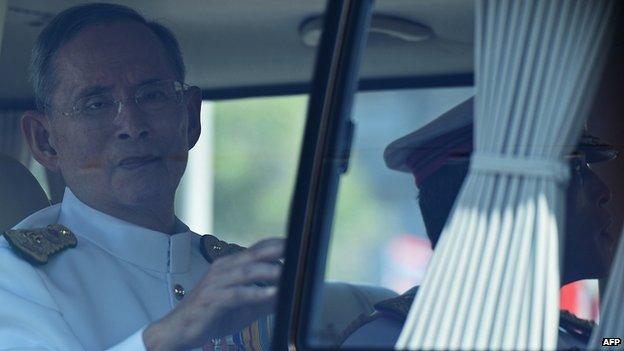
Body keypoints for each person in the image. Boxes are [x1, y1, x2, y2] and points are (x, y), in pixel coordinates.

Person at [0, 4, 282, 351]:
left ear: (190, 119)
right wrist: (164, 337)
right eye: (95, 104)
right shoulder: (13, 277)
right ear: (46, 141)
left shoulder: (246, 282)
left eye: (152, 95)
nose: (132, 126)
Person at [340, 97, 618, 349]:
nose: (604, 192)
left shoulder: (587, 338)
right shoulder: (396, 341)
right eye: (574, 171)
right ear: (497, 206)